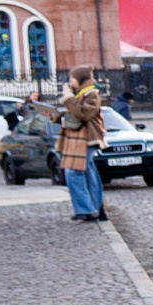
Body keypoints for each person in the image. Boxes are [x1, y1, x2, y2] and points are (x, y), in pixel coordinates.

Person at [55, 67, 108, 221]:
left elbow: (83, 114)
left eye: (72, 78)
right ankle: (96, 208)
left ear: (81, 79)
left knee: (73, 172)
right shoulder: (80, 94)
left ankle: (85, 210)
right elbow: (73, 116)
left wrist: (68, 98)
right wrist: (54, 116)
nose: (70, 81)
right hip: (77, 139)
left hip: (86, 139)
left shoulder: (92, 94)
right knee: (89, 173)